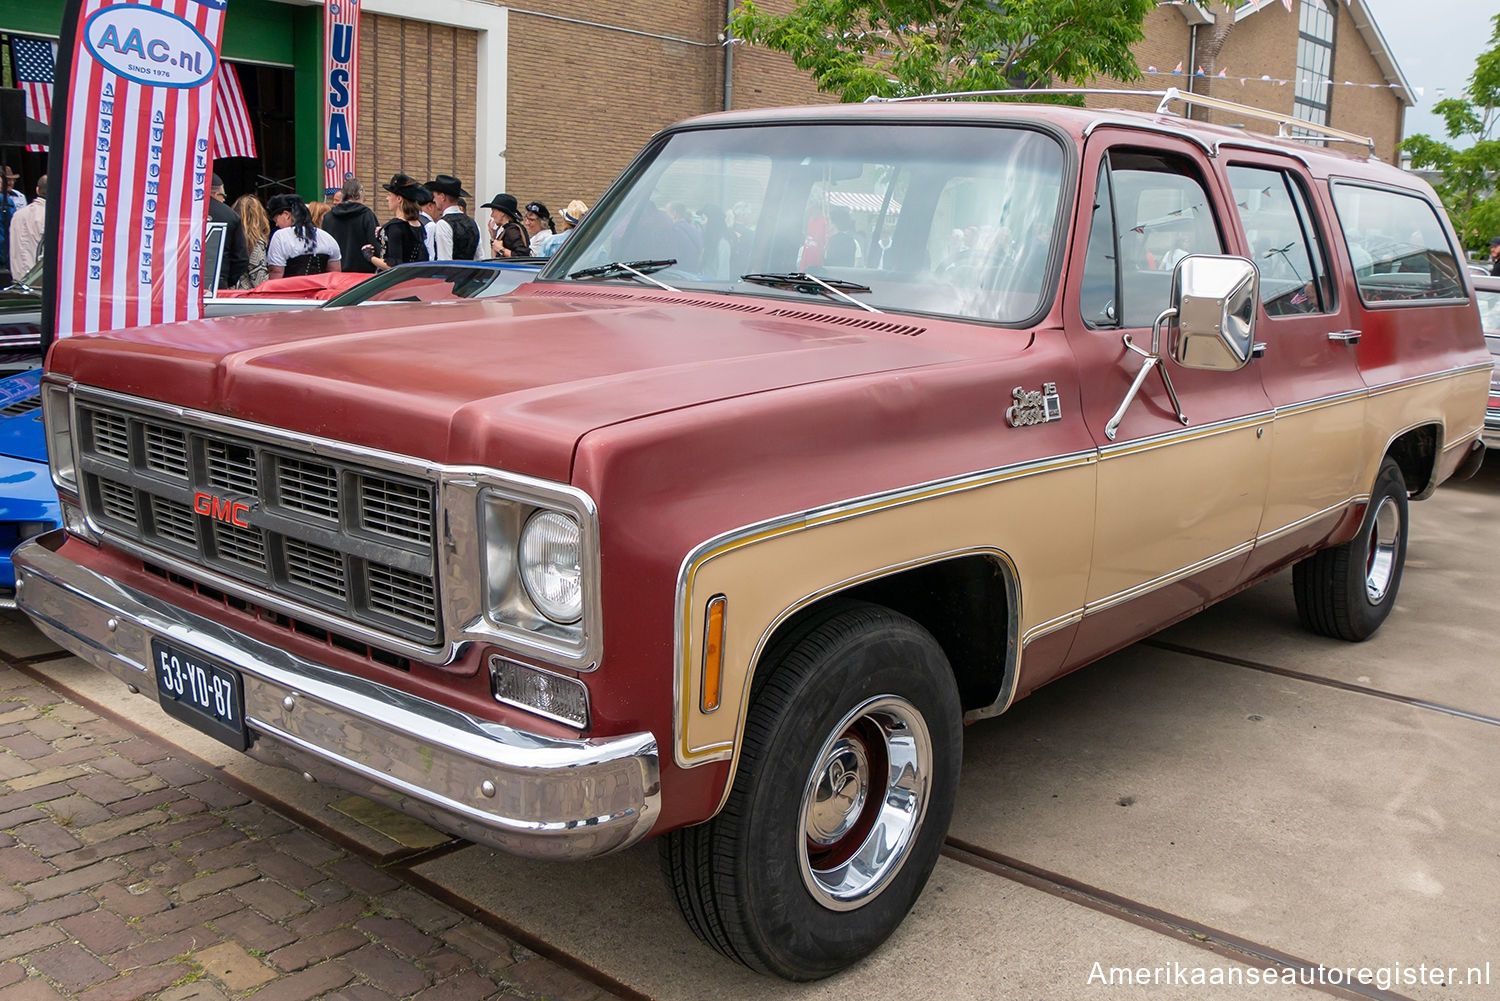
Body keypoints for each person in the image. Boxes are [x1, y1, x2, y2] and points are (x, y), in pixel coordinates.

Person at [265, 193, 342, 279]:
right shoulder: (327, 237)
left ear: (286, 215)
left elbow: (276, 272)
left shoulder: (280, 236)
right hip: (321, 291)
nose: (276, 224)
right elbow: (335, 275)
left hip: (291, 291)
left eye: (276, 219)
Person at [367, 174, 430, 271]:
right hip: (411, 278)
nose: (387, 198)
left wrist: (369, 256)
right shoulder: (418, 225)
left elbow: (393, 265)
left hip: (392, 281)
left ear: (399, 199)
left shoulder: (395, 227)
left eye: (389, 195)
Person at [322, 177, 379, 274]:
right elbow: (375, 245)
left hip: (335, 274)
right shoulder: (367, 215)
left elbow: (325, 247)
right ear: (360, 192)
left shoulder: (328, 217)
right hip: (362, 276)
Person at [208, 174, 249, 291]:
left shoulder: (181, 211)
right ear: (216, 194)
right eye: (223, 195)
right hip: (218, 282)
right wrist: (227, 280)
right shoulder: (231, 216)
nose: (224, 199)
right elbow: (241, 258)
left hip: (184, 281)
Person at [427, 174, 482, 261]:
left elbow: (444, 262)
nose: (433, 200)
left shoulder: (443, 224)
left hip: (452, 273)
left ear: (442, 197)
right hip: (471, 273)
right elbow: (479, 258)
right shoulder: (473, 223)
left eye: (435, 196)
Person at [8, 173, 46, 277]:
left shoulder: (17, 214)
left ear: (37, 190)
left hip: (17, 281)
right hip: (39, 284)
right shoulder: (52, 217)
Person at [232, 194, 271, 289]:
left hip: (227, 293)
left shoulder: (229, 237)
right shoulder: (255, 243)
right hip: (246, 296)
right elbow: (260, 281)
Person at [481, 193, 530, 258]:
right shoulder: (509, 229)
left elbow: (521, 256)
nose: (492, 215)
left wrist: (501, 249)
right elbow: (494, 259)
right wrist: (493, 237)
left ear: (502, 213)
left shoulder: (512, 231)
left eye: (493, 211)